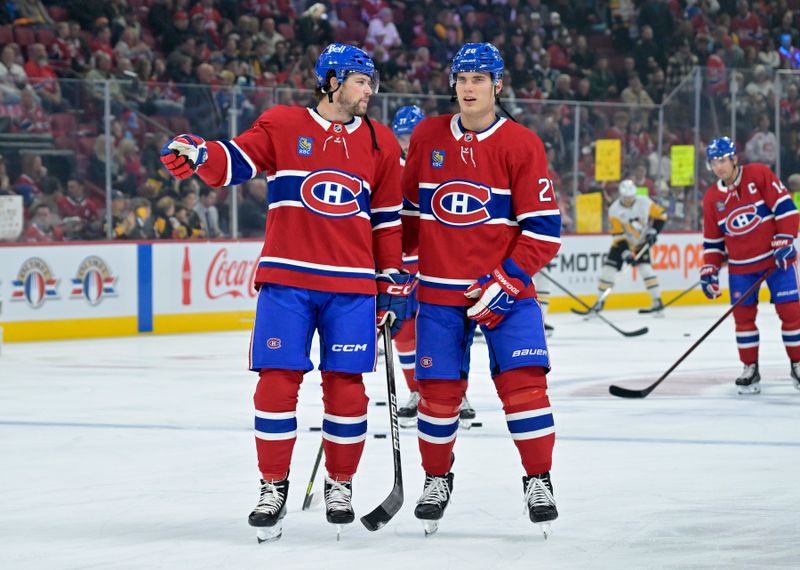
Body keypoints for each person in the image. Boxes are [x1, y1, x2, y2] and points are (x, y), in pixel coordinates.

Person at [160, 43, 410, 542]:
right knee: (276, 386)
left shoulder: (381, 142)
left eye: (372, 82)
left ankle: (340, 484)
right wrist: (199, 153)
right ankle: (272, 487)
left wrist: (393, 282)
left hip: (352, 287)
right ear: (333, 80)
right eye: (362, 81)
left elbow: (386, 223)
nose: (370, 91)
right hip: (287, 282)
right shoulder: (282, 124)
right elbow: (232, 163)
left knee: (347, 390)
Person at [400, 43, 560, 537]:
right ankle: (436, 479)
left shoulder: (521, 143)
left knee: (525, 387)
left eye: (479, 78)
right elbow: (405, 217)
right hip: (439, 295)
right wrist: (394, 274)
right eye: (462, 78)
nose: (469, 88)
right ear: (453, 84)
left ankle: (539, 479)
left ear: (497, 85)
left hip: (505, 293)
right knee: (438, 394)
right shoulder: (427, 135)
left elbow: (545, 230)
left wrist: (508, 280)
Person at [391, 105, 478, 429]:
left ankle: (458, 393)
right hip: (402, 265)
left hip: (438, 265)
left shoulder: (443, 162)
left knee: (448, 332)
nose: (407, 142)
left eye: (411, 135)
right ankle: (415, 391)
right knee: (404, 333)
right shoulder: (388, 167)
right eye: (402, 136)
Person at [700, 137, 800, 394]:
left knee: (791, 314)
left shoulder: (758, 174)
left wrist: (787, 238)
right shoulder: (712, 198)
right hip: (741, 268)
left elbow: (787, 208)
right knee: (743, 319)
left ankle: (798, 364)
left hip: (776, 260)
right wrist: (710, 269)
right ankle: (749, 368)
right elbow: (713, 242)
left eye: (722, 160)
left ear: (734, 159)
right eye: (714, 162)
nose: (718, 166)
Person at [589, 179, 668, 315]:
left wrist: (654, 231)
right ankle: (599, 302)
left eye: (631, 197)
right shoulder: (614, 209)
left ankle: (657, 301)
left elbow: (662, 215)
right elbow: (618, 234)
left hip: (640, 242)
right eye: (626, 198)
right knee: (608, 271)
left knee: (646, 271)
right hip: (621, 244)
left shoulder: (644, 202)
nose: (629, 200)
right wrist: (625, 252)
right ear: (621, 196)